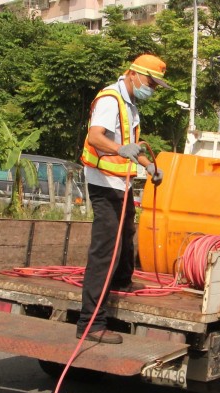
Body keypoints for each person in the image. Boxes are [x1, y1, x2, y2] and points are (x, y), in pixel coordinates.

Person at [77, 54, 170, 344]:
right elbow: (95, 137)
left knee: (128, 230)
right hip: (104, 183)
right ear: (134, 74)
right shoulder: (110, 99)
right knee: (105, 251)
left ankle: (122, 281)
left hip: (122, 183)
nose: (152, 89)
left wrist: (147, 164)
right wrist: (119, 149)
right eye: (151, 83)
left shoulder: (130, 104)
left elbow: (131, 147)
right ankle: (91, 323)